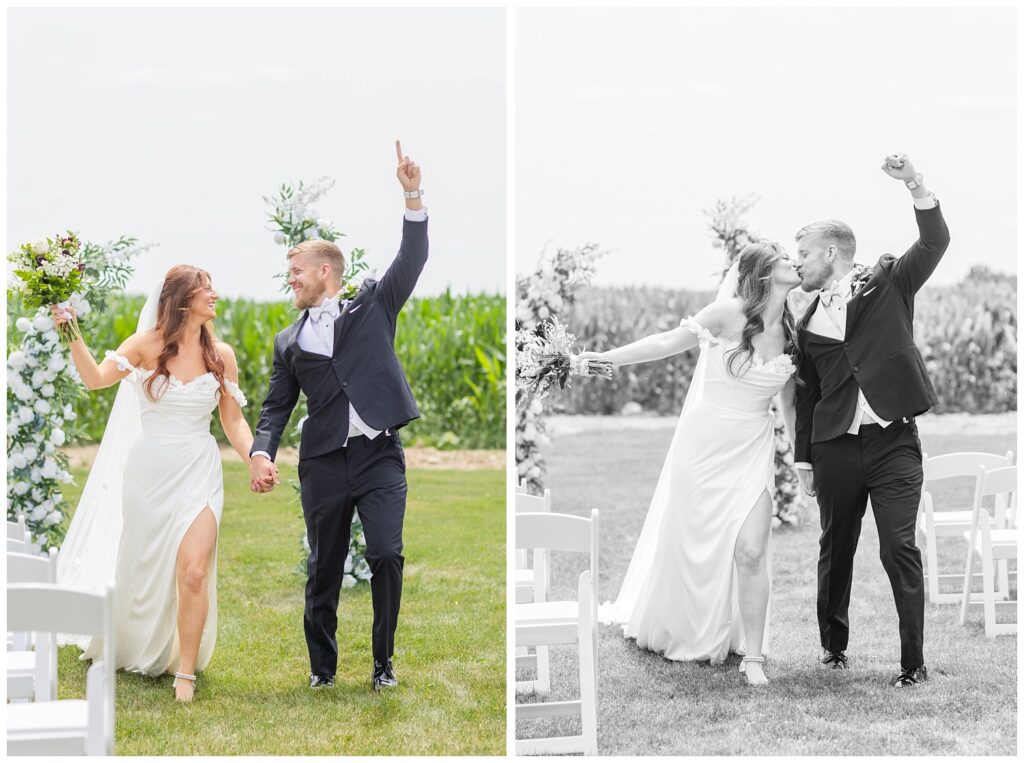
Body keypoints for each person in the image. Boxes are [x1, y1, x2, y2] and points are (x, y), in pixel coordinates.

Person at [248, 140, 428, 691]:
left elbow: (413, 258)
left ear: (325, 270)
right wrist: (260, 450)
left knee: (387, 553)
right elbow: (278, 404)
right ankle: (322, 671)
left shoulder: (373, 303)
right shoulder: (288, 340)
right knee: (323, 567)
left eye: (297, 272)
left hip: (378, 457)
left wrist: (412, 194)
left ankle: (383, 666)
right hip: (323, 462)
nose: (291, 281)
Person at [581, 241, 802, 685]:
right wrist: (608, 358)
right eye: (784, 257)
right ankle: (683, 626)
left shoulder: (795, 331)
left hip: (751, 447)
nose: (794, 261)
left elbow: (789, 406)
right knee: (689, 541)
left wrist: (802, 463)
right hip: (703, 447)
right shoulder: (727, 313)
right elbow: (667, 342)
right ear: (763, 271)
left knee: (753, 549)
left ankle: (753, 657)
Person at [53, 265, 255, 702]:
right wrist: (71, 332)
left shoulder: (223, 354)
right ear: (182, 298)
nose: (215, 295)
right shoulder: (144, 346)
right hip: (149, 471)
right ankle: (136, 641)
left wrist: (255, 458)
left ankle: (185, 674)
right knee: (144, 565)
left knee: (195, 570)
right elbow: (95, 379)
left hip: (199, 469)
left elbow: (232, 419)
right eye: (206, 289)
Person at [792, 152, 949, 688]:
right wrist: (805, 459)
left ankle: (913, 663)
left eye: (804, 254)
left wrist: (916, 186)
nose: (799, 264)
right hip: (835, 446)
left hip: (894, 442)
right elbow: (809, 394)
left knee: (897, 546)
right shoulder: (806, 320)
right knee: (835, 548)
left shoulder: (887, 281)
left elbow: (933, 244)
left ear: (831, 252)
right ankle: (834, 649)